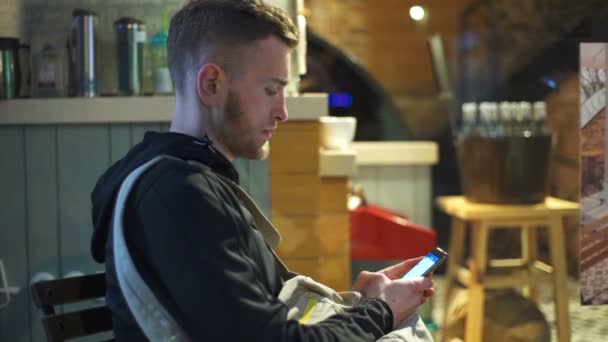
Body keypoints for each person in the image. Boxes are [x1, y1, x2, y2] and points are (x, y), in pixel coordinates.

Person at [90, 0, 434, 340]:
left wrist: (367, 305)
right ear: (211, 84)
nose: (282, 111)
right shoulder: (179, 196)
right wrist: (381, 311)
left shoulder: (190, 183)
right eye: (271, 90)